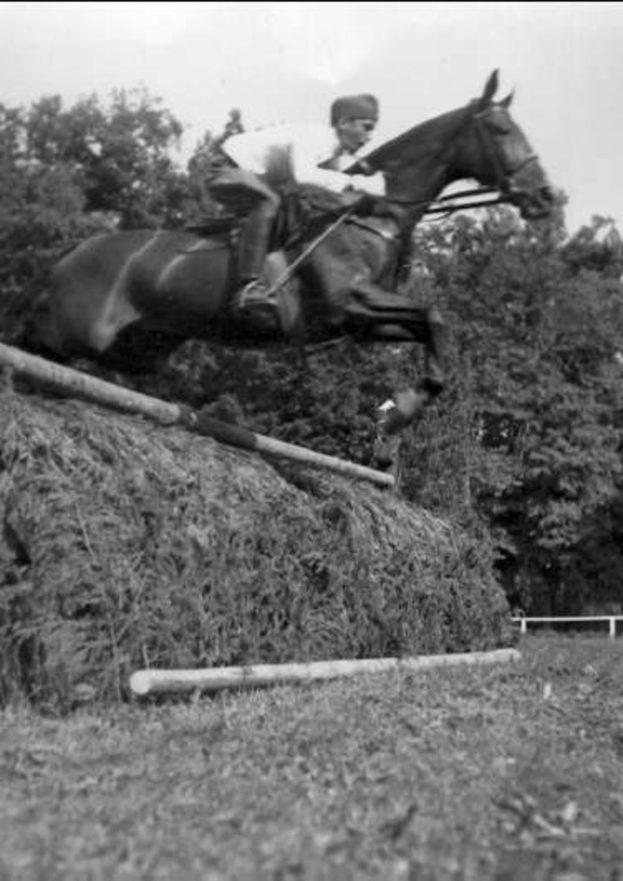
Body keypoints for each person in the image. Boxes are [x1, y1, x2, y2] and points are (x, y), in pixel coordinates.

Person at [208, 93, 386, 325]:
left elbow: (333, 181)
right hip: (223, 170)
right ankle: (248, 288)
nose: (369, 137)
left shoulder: (332, 150)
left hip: (251, 177)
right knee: (269, 201)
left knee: (290, 207)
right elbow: (305, 176)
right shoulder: (317, 138)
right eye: (366, 127)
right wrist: (358, 183)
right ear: (343, 123)